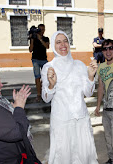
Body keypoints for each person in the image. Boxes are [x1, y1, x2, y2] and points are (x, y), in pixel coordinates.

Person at [41, 31, 98, 164]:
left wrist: (90, 77)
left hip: (81, 119)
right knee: (63, 156)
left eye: (65, 41)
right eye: (58, 42)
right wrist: (51, 85)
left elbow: (88, 93)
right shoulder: (49, 67)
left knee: (83, 155)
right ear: (53, 45)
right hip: (61, 120)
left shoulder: (79, 65)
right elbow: (46, 98)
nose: (63, 45)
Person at [29, 24, 49, 102]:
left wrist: (40, 39)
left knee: (45, 77)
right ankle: (38, 95)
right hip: (35, 60)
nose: (41, 31)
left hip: (44, 60)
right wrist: (32, 40)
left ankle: (43, 92)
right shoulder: (33, 38)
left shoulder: (46, 38)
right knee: (37, 77)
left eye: (43, 29)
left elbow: (47, 46)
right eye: (40, 29)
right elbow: (30, 50)